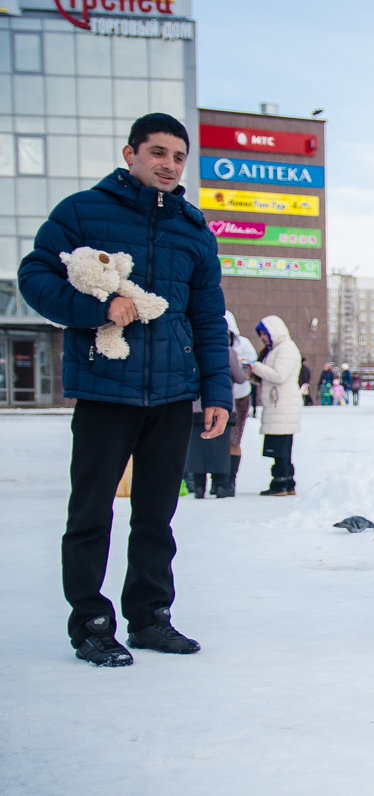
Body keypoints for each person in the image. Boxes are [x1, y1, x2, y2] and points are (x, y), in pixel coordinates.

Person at [17, 112, 230, 666]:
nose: (169, 165)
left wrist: (217, 393)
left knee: (156, 514)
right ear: (130, 153)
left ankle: (150, 617)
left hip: (172, 393)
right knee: (91, 513)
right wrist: (97, 308)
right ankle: (90, 622)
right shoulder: (82, 212)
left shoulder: (193, 228)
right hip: (104, 390)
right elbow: (34, 277)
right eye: (158, 152)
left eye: (179, 157)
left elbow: (208, 318)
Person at [248, 316, 302, 495]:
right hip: (279, 404)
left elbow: (279, 375)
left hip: (282, 405)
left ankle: (281, 483)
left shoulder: (286, 349)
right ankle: (286, 483)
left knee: (280, 447)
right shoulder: (278, 349)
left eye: (264, 333)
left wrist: (255, 367)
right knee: (281, 447)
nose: (263, 338)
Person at [184, 337, 246, 497]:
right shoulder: (227, 351)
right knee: (220, 448)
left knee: (197, 448)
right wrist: (247, 370)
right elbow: (240, 377)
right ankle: (220, 485)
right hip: (221, 405)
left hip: (195, 406)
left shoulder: (190, 348)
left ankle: (198, 486)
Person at [218, 311, 257, 497]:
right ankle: (217, 479)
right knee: (216, 440)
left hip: (239, 397)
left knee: (234, 439)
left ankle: (229, 480)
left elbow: (250, 367)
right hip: (217, 396)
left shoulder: (243, 345)